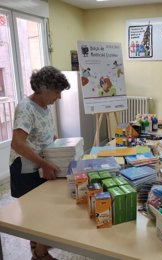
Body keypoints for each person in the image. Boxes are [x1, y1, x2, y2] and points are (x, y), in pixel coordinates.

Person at [9, 66, 70, 259]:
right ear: (43, 88)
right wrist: (44, 163)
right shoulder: (26, 108)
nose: (59, 97)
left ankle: (39, 251)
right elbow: (18, 143)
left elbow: (48, 135)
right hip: (27, 169)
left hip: (43, 165)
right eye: (57, 92)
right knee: (39, 214)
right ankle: (40, 254)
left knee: (47, 211)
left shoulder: (45, 107)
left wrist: (62, 150)